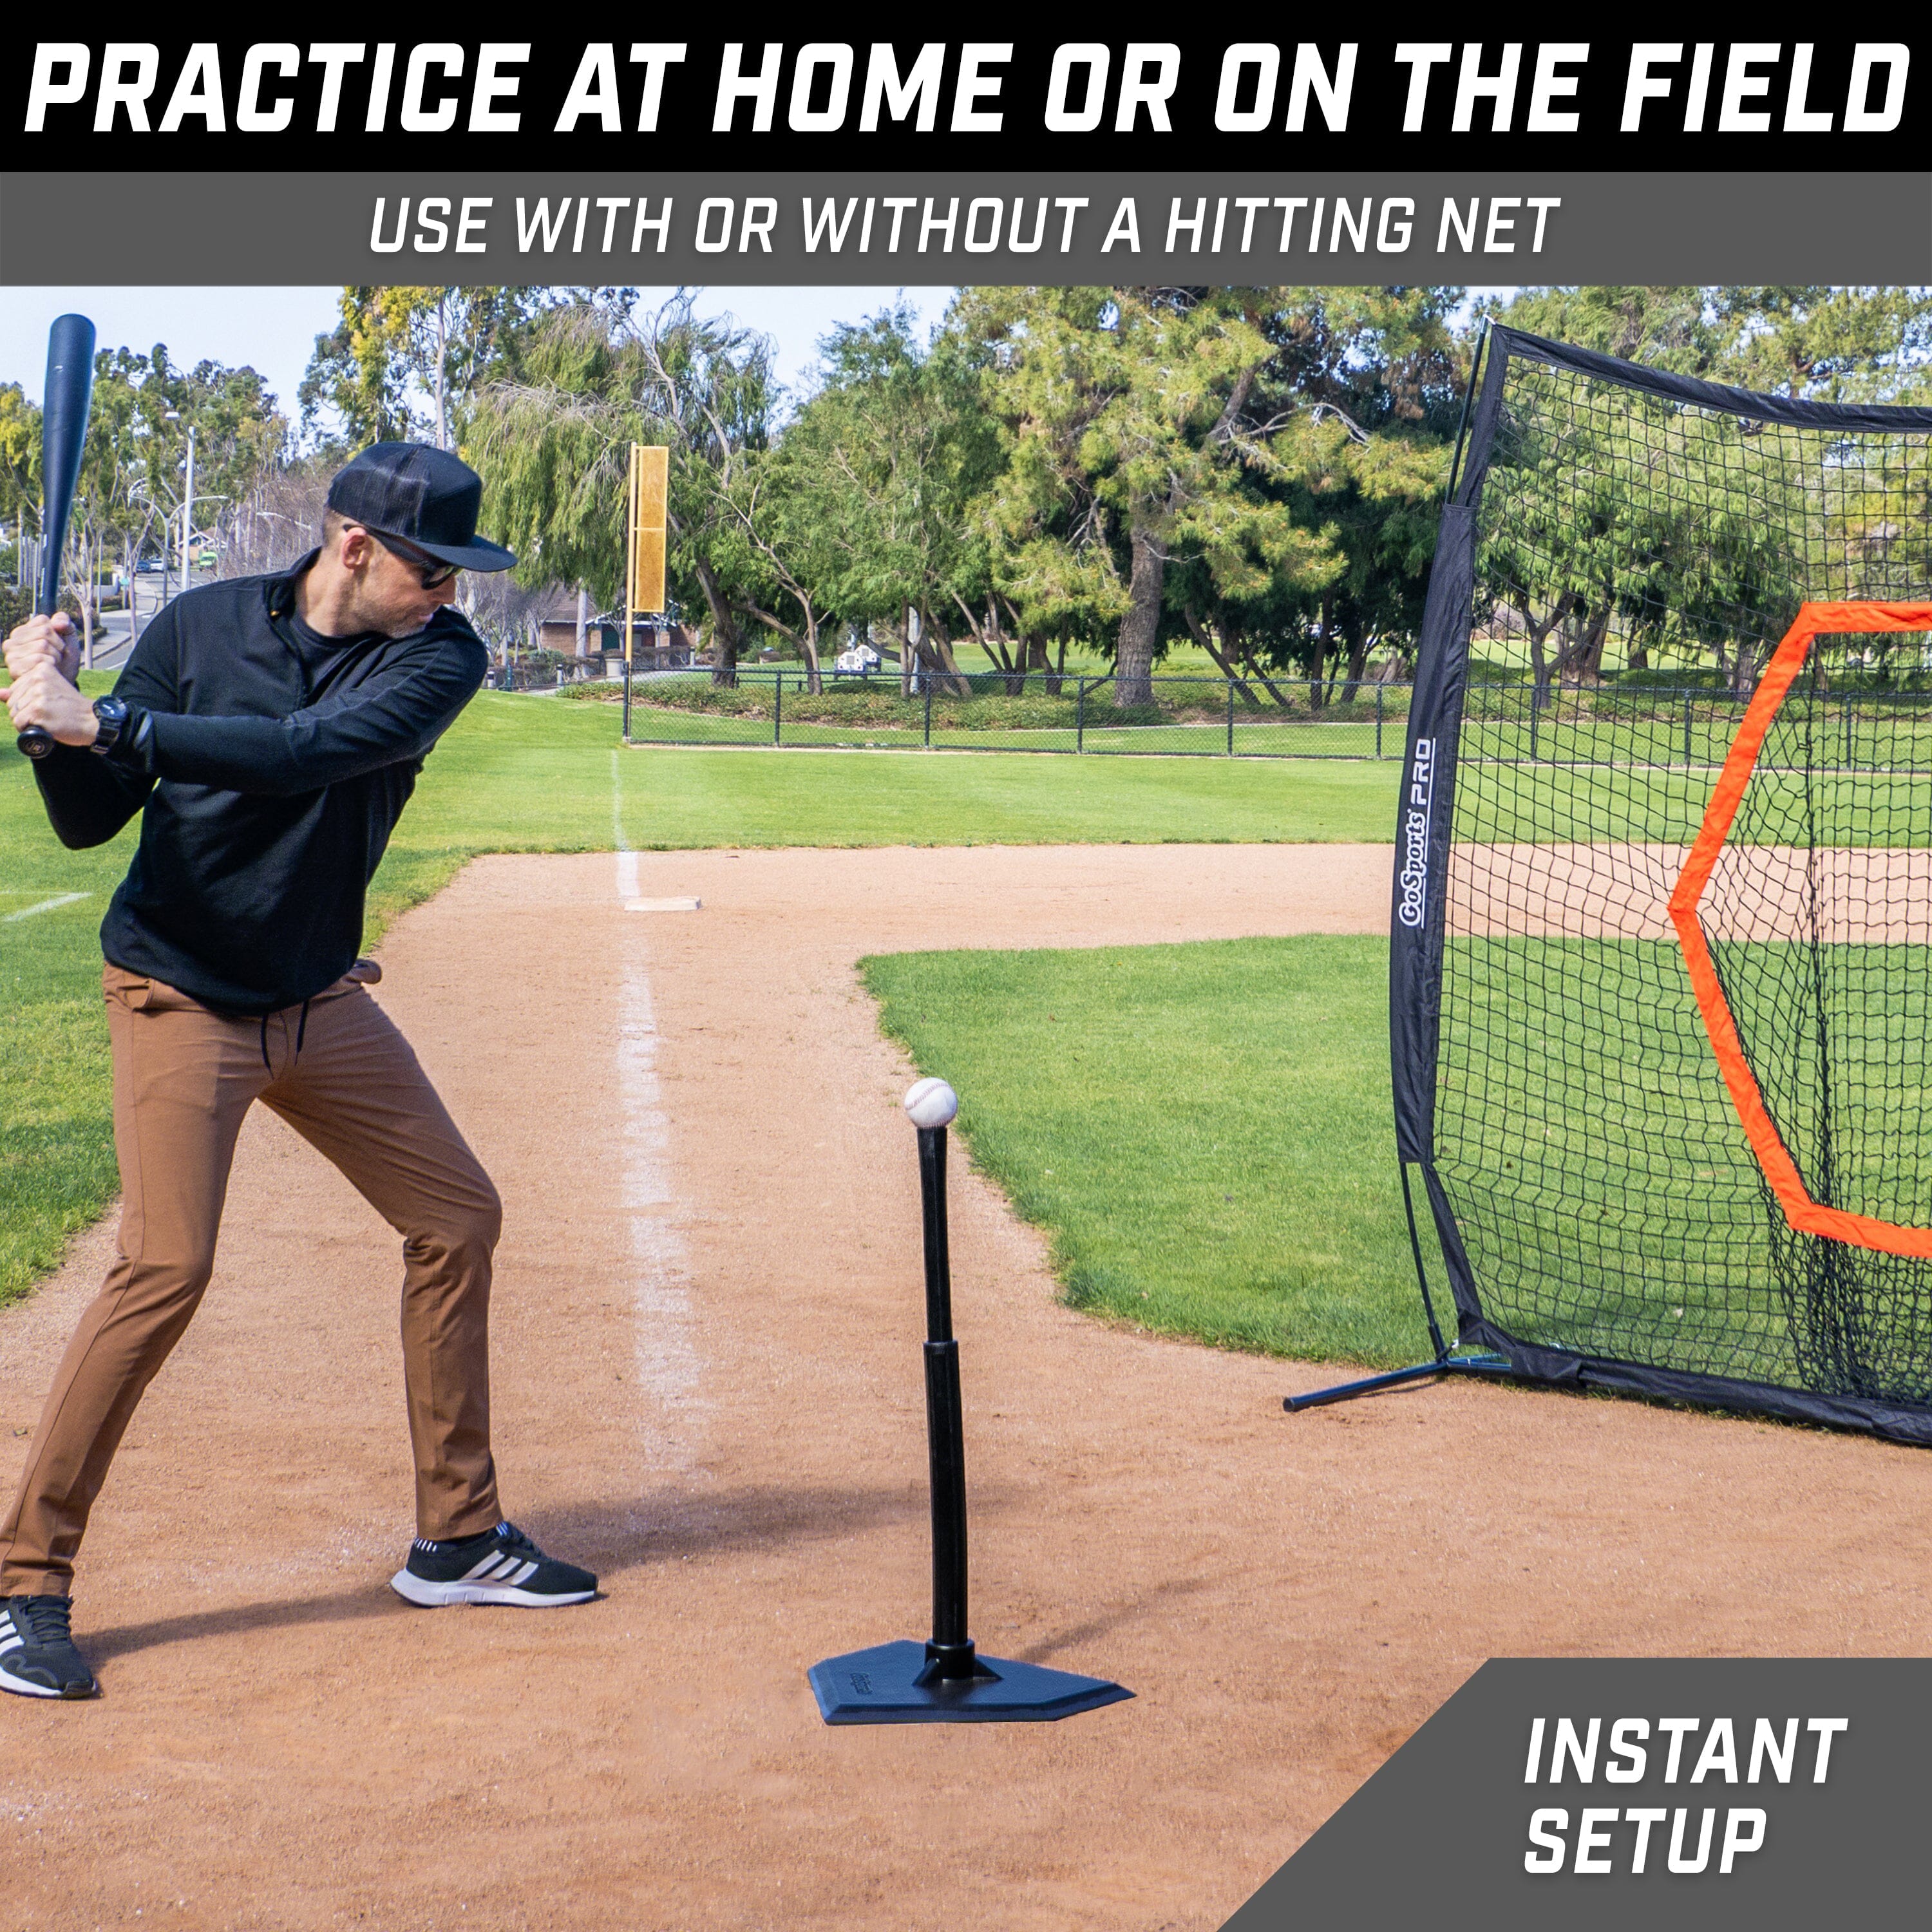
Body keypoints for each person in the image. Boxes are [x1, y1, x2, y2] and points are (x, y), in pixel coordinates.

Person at [0, 444, 596, 1702]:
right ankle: (24, 1587)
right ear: (354, 546)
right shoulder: (197, 625)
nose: (452, 595)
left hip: (318, 1001)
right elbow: (89, 818)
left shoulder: (437, 660)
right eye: (434, 570)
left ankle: (456, 1535)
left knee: (455, 1217)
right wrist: (51, 719)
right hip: (178, 990)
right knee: (165, 1266)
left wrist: (106, 716)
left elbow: (304, 751)